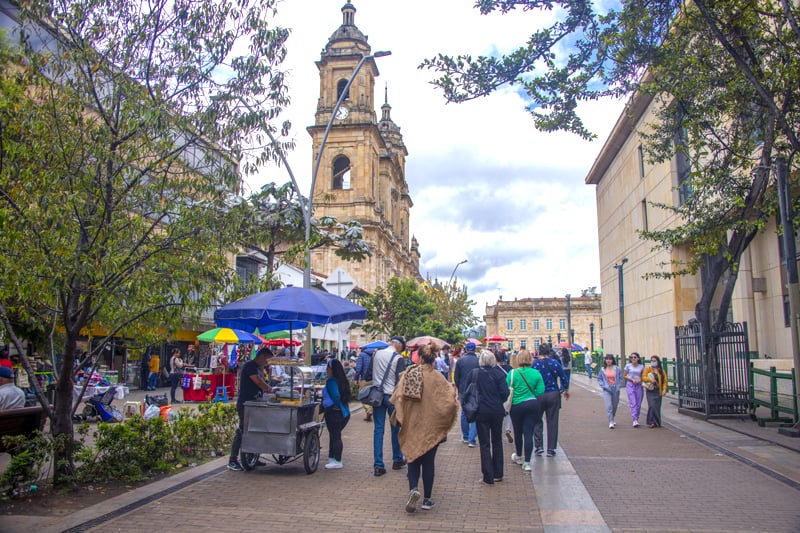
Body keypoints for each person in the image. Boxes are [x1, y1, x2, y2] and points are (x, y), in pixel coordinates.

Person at [390, 342, 458, 512]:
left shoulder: (409, 374)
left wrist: (402, 416)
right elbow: (450, 402)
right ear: (434, 359)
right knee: (429, 462)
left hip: (412, 424)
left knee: (412, 458)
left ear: (419, 357)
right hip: (431, 427)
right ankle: (427, 499)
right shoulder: (439, 379)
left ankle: (413, 489)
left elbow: (397, 398)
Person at [228, 347, 274, 471]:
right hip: (245, 404)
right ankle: (232, 460)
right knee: (242, 430)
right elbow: (258, 382)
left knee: (255, 430)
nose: (267, 363)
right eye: (266, 360)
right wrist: (269, 389)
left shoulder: (259, 368)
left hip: (255, 403)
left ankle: (253, 456)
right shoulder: (250, 366)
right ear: (261, 357)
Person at [371, 336, 407, 476]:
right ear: (398, 346)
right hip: (391, 396)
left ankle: (378, 465)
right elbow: (400, 381)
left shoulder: (376, 354)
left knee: (378, 430)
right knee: (395, 428)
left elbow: (369, 373)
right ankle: (397, 459)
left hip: (377, 396)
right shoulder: (398, 359)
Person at [474, 350, 510, 484]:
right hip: (496, 410)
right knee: (497, 441)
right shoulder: (499, 374)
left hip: (481, 411)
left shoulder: (475, 374)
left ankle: (488, 475)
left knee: (484, 443)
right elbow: (505, 393)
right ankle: (498, 472)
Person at [506, 349, 544, 472]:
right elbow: (541, 391)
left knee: (518, 432)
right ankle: (527, 462)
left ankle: (518, 455)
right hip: (532, 404)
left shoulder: (512, 373)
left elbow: (507, 388)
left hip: (516, 405)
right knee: (529, 433)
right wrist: (532, 393)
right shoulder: (536, 373)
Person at [532, 344, 570, 457]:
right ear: (549, 352)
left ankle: (538, 446)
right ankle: (551, 448)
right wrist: (566, 389)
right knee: (552, 421)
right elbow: (563, 377)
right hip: (553, 393)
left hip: (539, 394)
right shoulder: (555, 363)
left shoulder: (535, 364)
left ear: (539, 352)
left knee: (537, 420)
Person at [323, 359, 351, 469]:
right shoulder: (341, 380)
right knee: (334, 435)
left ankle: (338, 460)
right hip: (343, 413)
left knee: (335, 436)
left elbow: (336, 396)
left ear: (331, 369)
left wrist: (333, 406)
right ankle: (332, 457)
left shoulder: (331, 381)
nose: (326, 370)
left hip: (334, 412)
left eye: (327, 368)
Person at [453, 342, 479, 447]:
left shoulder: (460, 361)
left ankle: (466, 436)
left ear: (466, 349)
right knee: (475, 412)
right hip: (476, 390)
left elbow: (456, 377)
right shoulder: (478, 361)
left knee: (464, 412)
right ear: (474, 349)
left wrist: (459, 389)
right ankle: (472, 439)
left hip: (463, 389)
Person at [597, 354, 623, 428]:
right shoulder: (602, 369)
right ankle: (610, 421)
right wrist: (603, 385)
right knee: (609, 406)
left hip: (615, 388)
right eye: (607, 359)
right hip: (607, 389)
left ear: (613, 360)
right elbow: (599, 379)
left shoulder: (617, 369)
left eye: (610, 359)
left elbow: (620, 378)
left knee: (614, 405)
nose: (608, 360)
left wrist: (619, 385)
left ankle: (612, 417)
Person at [643, 355, 668, 428]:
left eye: (654, 361)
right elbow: (643, 377)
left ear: (658, 362)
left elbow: (665, 381)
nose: (653, 362)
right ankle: (651, 422)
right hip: (650, 390)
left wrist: (664, 390)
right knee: (652, 405)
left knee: (657, 407)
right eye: (652, 361)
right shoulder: (648, 369)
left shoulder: (661, 371)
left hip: (658, 390)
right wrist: (650, 380)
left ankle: (657, 421)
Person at [495, 351, 514, 443]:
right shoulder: (509, 368)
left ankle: (498, 429)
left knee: (498, 413)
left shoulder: (493, 369)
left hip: (496, 394)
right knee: (508, 411)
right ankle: (507, 429)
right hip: (507, 392)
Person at [623, 352, 645, 427]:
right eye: (631, 357)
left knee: (638, 403)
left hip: (639, 385)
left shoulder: (641, 366)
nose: (633, 359)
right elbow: (625, 375)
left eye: (635, 357)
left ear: (638, 358)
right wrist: (632, 379)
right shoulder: (628, 366)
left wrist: (640, 380)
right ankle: (634, 419)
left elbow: (643, 376)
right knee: (633, 403)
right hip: (630, 384)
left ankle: (637, 417)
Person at [354, 347, 374, 422]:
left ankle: (368, 410)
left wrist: (356, 378)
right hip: (374, 379)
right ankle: (368, 415)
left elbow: (359, 368)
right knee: (371, 397)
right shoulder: (374, 355)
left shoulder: (362, 355)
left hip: (364, 379)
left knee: (362, 395)